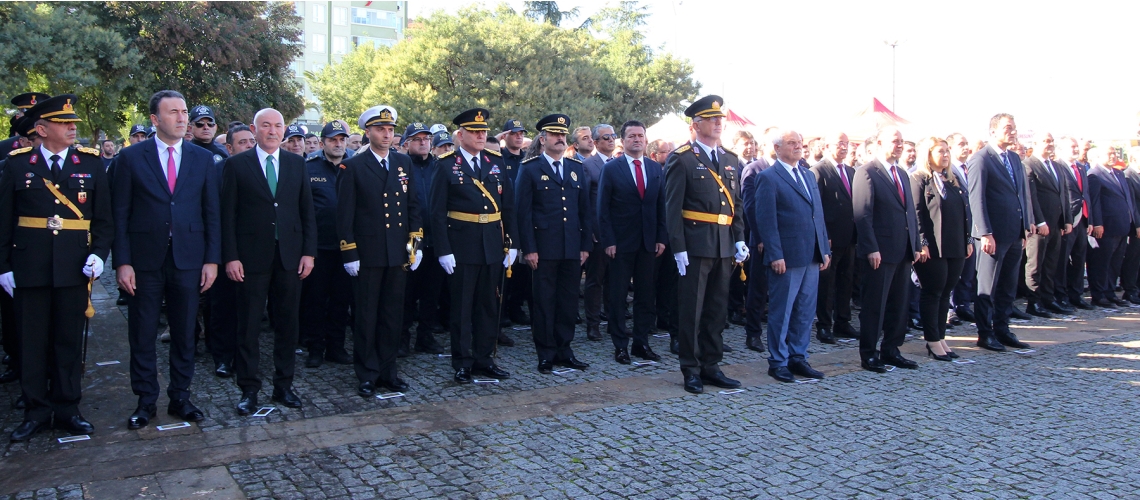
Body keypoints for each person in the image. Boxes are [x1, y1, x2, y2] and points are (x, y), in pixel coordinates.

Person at [0, 94, 113, 441]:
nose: (71, 129)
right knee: (32, 341)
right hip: (29, 265)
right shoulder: (18, 164)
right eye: (64, 124)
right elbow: (4, 220)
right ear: (41, 128)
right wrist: (3, 265)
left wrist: (100, 254)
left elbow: (104, 218)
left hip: (73, 266)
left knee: (67, 339)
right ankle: (36, 410)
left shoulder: (90, 163)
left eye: (73, 124)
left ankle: (67, 407)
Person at [111, 89, 220, 429]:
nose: (182, 117)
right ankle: (145, 400)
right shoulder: (131, 158)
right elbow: (120, 215)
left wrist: (211, 259)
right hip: (144, 260)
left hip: (188, 258)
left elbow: (211, 213)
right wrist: (123, 262)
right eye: (174, 112)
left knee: (185, 330)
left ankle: (181, 396)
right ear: (156, 119)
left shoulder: (202, 159)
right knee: (142, 332)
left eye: (184, 111)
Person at [221, 108, 317, 415]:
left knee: (287, 323)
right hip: (250, 258)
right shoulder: (236, 165)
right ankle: (249, 389)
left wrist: (308, 252)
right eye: (266, 126)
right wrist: (231, 256)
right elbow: (228, 216)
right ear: (254, 129)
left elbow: (306, 211)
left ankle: (284, 385)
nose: (272, 131)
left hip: (290, 256)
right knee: (248, 324)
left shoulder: (296, 163)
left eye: (278, 126)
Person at [664, 95, 746, 394]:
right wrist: (679, 247)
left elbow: (736, 205)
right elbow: (672, 208)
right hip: (695, 244)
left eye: (720, 118)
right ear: (696, 124)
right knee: (692, 309)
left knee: (716, 309)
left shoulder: (730, 159)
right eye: (712, 119)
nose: (718, 123)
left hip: (723, 244)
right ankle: (691, 367)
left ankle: (712, 364)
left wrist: (739, 238)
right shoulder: (682, 158)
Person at [338, 106, 421, 397]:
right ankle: (367, 373)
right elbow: (345, 214)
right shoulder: (354, 166)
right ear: (368, 132)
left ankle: (389, 371)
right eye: (380, 129)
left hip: (397, 251)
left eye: (390, 130)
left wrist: (415, 243)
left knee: (392, 314)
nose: (387, 135)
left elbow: (413, 205)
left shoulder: (403, 163)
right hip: (368, 252)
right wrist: (349, 252)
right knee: (366, 315)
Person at [429, 108, 516, 384]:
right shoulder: (445, 164)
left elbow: (509, 206)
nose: (481, 135)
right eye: (475, 131)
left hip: (492, 243)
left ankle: (484, 359)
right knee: (462, 308)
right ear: (460, 134)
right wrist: (443, 249)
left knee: (489, 306)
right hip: (461, 245)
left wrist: (512, 243)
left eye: (483, 131)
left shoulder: (496, 162)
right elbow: (436, 212)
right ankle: (462, 362)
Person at [515, 114, 591, 373]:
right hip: (543, 248)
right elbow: (522, 212)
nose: (560, 139)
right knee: (545, 301)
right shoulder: (530, 168)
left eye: (563, 135)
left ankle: (565, 349)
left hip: (571, 247)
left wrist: (585, 246)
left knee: (568, 301)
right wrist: (529, 248)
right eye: (554, 134)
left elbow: (584, 212)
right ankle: (546, 352)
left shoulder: (576, 167)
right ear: (542, 139)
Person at [755, 129, 830, 382]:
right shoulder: (769, 177)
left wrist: (824, 248)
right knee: (782, 311)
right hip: (786, 257)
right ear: (777, 148)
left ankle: (799, 356)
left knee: (805, 311)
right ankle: (778, 361)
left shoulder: (808, 175)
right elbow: (766, 220)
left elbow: (816, 214)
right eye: (791, 143)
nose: (798, 147)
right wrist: (775, 254)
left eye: (800, 143)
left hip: (811, 254)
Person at [852, 126, 922, 372]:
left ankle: (892, 349)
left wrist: (915, 244)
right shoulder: (868, 172)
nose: (899, 145)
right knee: (875, 305)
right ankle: (869, 353)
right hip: (879, 252)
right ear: (880, 144)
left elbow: (909, 213)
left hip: (902, 251)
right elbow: (863, 214)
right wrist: (871, 247)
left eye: (901, 141)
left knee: (899, 304)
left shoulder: (902, 173)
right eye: (895, 141)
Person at [596, 120, 665, 365]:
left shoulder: (655, 168)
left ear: (646, 140)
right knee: (617, 296)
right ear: (622, 141)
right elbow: (602, 208)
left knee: (646, 295)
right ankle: (620, 345)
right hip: (621, 243)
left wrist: (661, 237)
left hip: (649, 243)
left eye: (640, 136)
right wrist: (608, 240)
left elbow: (660, 206)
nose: (637, 139)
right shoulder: (612, 168)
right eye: (632, 136)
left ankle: (641, 343)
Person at [968, 113, 1033, 352]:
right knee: (987, 287)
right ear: (993, 131)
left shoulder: (1015, 159)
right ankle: (985, 333)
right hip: (992, 235)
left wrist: (1025, 227)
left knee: (1008, 286)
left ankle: (1002, 329)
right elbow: (976, 198)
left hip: (1014, 233)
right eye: (1008, 127)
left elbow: (1021, 195)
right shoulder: (981, 159)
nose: (1013, 131)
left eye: (1014, 127)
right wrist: (985, 232)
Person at [909, 137, 971, 361]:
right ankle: (932, 340)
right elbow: (916, 214)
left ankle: (941, 336)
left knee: (946, 292)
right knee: (933, 291)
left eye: (947, 151)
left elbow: (965, 212)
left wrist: (968, 240)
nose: (945, 155)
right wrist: (922, 243)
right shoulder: (918, 180)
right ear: (928, 154)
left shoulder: (951, 180)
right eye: (940, 151)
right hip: (932, 248)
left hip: (954, 245)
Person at [300, 121, 354, 369]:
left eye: (342, 139)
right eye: (333, 139)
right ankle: (315, 347)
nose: (338, 143)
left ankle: (336, 346)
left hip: (347, 247)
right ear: (322, 143)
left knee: (341, 300)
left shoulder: (353, 166)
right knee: (316, 300)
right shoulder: (308, 167)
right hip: (319, 246)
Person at [399, 122, 447, 355]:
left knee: (431, 293)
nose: (423, 143)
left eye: (426, 139)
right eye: (417, 139)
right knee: (406, 294)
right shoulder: (400, 166)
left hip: (436, 238)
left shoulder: (439, 166)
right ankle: (402, 338)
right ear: (406, 143)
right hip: (409, 240)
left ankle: (425, 336)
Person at [811, 132, 859, 344]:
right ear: (827, 145)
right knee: (827, 283)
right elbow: (816, 208)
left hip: (849, 236)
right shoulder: (819, 171)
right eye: (840, 143)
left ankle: (843, 321)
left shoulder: (850, 171)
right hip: (830, 238)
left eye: (847, 144)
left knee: (846, 280)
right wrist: (824, 236)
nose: (844, 147)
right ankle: (824, 324)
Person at [1023, 133, 1073, 316]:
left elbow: (1063, 194)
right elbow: (1031, 196)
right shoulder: (1029, 164)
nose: (1050, 144)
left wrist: (1066, 219)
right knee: (1035, 264)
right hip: (1040, 225)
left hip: (1056, 224)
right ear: (1035, 144)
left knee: (1051, 263)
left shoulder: (1057, 166)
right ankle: (1033, 302)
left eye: (1052, 141)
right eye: (1046, 141)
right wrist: (1039, 220)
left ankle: (1048, 298)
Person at [1087, 147, 1137, 307]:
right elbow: (1094, 202)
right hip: (1106, 227)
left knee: (1115, 262)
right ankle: (1099, 294)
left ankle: (1109, 292)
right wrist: (1097, 223)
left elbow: (1128, 199)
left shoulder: (1119, 173)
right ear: (1099, 156)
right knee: (1102, 262)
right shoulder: (1094, 175)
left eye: (1115, 153)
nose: (1113, 156)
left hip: (1121, 226)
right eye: (1109, 153)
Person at [581, 124, 616, 341]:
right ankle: (593, 324)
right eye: (606, 137)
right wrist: (591, 230)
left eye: (613, 136)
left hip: (618, 232)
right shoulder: (588, 165)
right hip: (597, 233)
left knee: (616, 281)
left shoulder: (619, 163)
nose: (611, 140)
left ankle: (614, 322)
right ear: (595, 141)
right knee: (595, 281)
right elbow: (584, 202)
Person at [498, 119, 532, 329]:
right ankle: (502, 310)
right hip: (504, 220)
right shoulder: (498, 159)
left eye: (521, 134)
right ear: (505, 136)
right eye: (514, 133)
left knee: (523, 270)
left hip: (524, 219)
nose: (519, 137)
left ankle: (516, 306)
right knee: (506, 268)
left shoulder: (527, 160)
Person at [1055, 136, 1092, 309]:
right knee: (1062, 260)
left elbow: (1086, 195)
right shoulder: (1058, 167)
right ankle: (1061, 295)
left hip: (1082, 220)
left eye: (1077, 146)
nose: (1076, 149)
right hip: (1067, 220)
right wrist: (1064, 220)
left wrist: (1090, 219)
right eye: (1072, 146)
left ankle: (1076, 294)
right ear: (1061, 149)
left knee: (1079, 258)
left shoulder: (1081, 167)